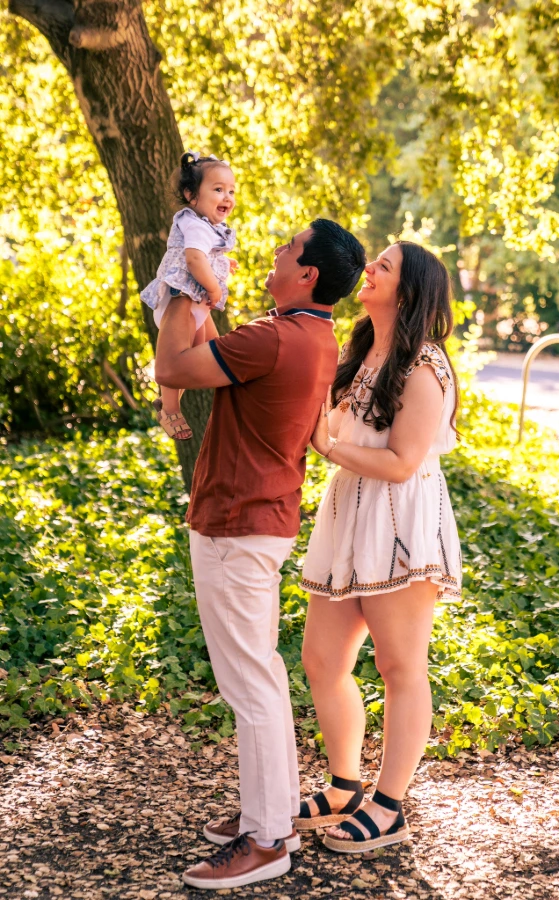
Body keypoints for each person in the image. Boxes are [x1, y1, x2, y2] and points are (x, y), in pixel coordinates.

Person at [154, 219, 366, 889]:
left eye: (286, 248)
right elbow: (227, 363)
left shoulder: (276, 338)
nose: (274, 252)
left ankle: (269, 839)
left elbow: (171, 368)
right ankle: (264, 811)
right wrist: (205, 309)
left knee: (251, 685)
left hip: (237, 525)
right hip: (254, 519)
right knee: (258, 678)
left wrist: (181, 288)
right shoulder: (310, 337)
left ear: (307, 274)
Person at [295, 241, 463, 853]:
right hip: (349, 514)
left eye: (384, 266)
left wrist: (329, 449)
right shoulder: (361, 350)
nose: (369, 269)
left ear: (409, 291)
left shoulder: (426, 365)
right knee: (322, 658)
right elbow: (335, 422)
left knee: (399, 667)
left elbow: (401, 461)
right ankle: (344, 786)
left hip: (401, 521)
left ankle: (390, 806)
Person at [141, 152, 239, 441]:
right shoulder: (195, 223)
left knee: (210, 356)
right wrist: (214, 288)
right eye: (218, 189)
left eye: (231, 191)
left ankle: (170, 400)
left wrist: (221, 265)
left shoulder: (209, 225)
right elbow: (195, 260)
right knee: (174, 358)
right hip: (182, 298)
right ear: (191, 196)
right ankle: (170, 408)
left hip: (196, 305)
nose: (227, 197)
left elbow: (206, 256)